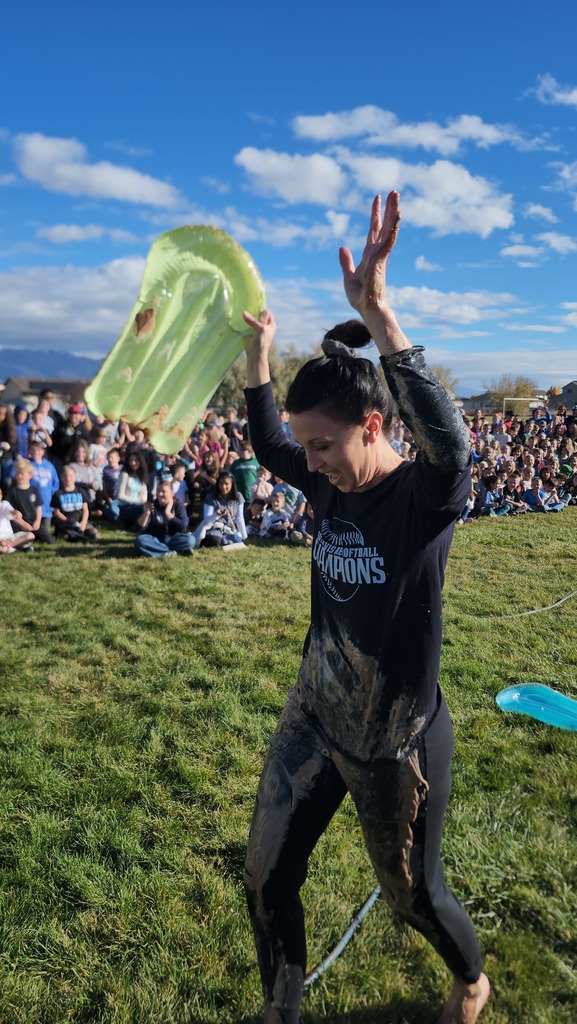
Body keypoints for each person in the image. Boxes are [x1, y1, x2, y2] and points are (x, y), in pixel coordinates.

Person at [241, 192, 490, 1024]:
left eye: (325, 445)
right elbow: (272, 441)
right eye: (307, 447)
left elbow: (451, 446)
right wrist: (259, 361)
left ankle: (471, 980)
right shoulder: (322, 473)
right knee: (266, 872)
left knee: (413, 901)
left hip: (397, 744)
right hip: (317, 712)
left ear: (374, 424)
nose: (309, 462)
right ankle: (283, 1007)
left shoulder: (421, 498)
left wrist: (380, 315)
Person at [133, 479, 194, 558]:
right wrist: (146, 513)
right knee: (140, 540)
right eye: (158, 491)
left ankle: (159, 551)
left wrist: (168, 514)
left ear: (172, 493)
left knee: (190, 539)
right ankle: (173, 552)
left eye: (163, 491)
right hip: (156, 540)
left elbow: (183, 528)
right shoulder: (152, 505)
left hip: (173, 539)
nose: (160, 494)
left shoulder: (178, 505)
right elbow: (139, 528)